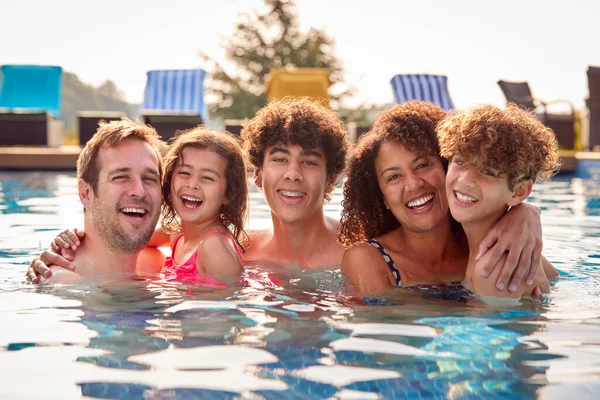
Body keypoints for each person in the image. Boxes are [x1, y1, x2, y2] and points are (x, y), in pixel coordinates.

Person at [339, 101, 545, 295]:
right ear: (381, 196)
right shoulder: (369, 259)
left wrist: (524, 211)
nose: (413, 184)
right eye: (394, 177)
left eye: (423, 165)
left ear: (445, 166)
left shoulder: (505, 247)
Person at [437, 104, 560, 298]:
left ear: (519, 191)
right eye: (460, 162)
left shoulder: (494, 271)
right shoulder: (514, 245)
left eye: (488, 171)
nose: (465, 180)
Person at [41, 118, 164, 283]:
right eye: (120, 177)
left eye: (149, 178)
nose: (139, 191)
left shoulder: (158, 267)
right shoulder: (63, 283)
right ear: (86, 194)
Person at [240, 97, 351, 268]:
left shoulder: (360, 252)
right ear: (258, 174)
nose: (293, 174)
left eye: (309, 162)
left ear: (331, 180)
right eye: (280, 159)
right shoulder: (240, 253)